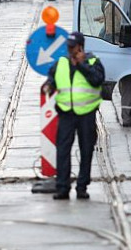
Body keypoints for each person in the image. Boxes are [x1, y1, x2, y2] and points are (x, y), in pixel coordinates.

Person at [43, 32, 107, 200]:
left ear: (80, 46)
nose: (70, 49)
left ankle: (82, 187)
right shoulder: (61, 63)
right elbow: (52, 79)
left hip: (87, 114)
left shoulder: (93, 61)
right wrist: (49, 85)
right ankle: (62, 187)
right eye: (68, 46)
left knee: (86, 151)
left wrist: (81, 64)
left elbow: (97, 80)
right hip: (66, 113)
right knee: (63, 150)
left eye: (73, 46)